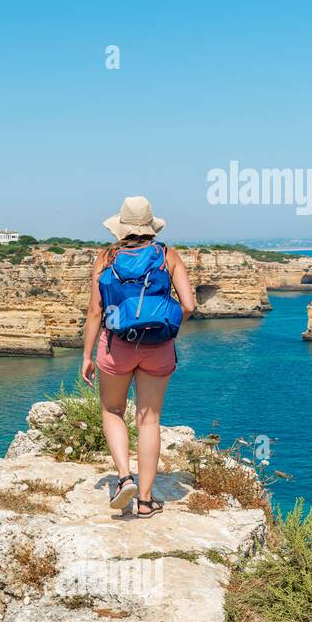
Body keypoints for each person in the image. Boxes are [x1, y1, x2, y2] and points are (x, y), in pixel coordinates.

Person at [81, 197, 197, 518]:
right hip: (158, 347)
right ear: (150, 226)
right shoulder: (167, 255)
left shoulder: (106, 257)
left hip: (116, 346)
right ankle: (145, 501)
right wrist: (165, 329)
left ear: (120, 226)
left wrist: (87, 356)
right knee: (149, 420)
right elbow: (188, 305)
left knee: (113, 410)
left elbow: (95, 311)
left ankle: (123, 479)